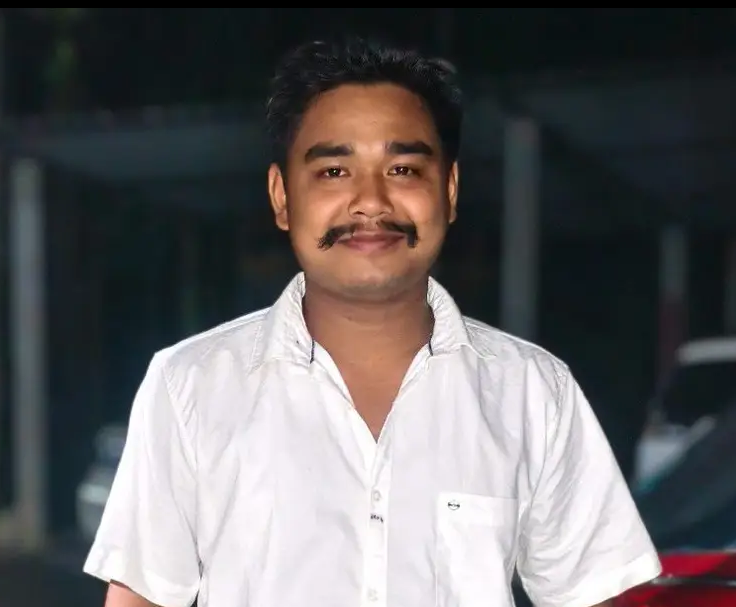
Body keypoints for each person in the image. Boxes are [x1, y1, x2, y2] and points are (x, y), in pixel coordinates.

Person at [84, 36, 662, 607]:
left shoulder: (533, 392)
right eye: (335, 171)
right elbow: (141, 598)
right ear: (282, 196)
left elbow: (596, 594)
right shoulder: (190, 385)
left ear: (449, 191)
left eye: (403, 169)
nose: (371, 203)